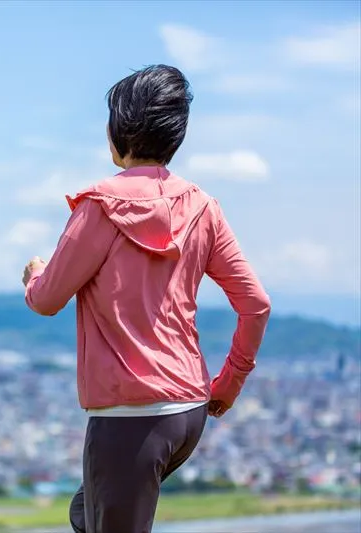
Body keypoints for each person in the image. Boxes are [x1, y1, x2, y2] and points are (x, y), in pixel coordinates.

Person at [21, 64, 271, 533]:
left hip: (129, 419)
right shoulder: (201, 206)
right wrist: (227, 386)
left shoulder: (100, 208)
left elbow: (47, 298)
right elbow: (255, 304)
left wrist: (35, 274)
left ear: (120, 132)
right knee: (88, 513)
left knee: (106, 510)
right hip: (189, 412)